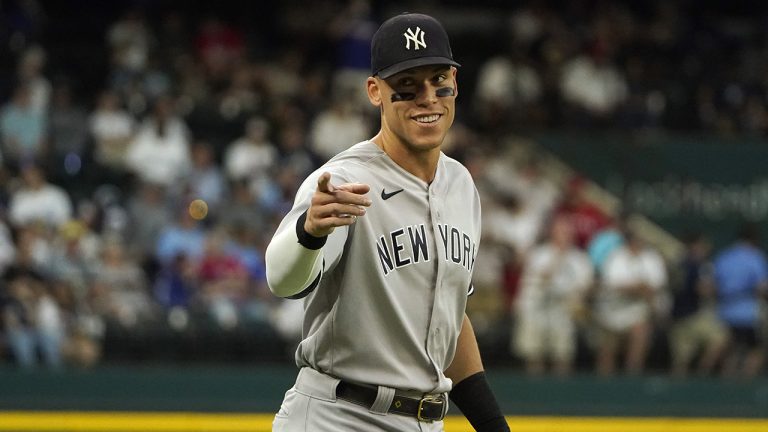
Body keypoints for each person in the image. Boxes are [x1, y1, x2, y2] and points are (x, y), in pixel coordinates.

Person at [265, 13, 509, 432]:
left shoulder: (461, 185)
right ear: (375, 91)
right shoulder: (344, 180)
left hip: (426, 420)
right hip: (338, 414)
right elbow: (283, 282)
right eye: (407, 86)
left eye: (438, 81)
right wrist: (309, 231)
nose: (427, 98)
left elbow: (451, 315)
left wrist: (491, 424)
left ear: (455, 81)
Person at [713, 223, 768, 378]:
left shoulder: (724, 257)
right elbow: (762, 287)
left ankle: (727, 381)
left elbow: (713, 285)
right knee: (756, 349)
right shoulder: (755, 257)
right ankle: (746, 380)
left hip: (724, 312)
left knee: (732, 350)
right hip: (748, 313)